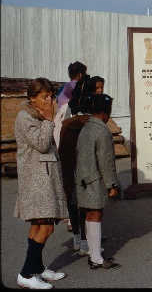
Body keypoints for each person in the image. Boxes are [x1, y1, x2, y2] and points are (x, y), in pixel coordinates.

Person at [14, 78, 68, 289]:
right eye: (44, 96)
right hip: (36, 182)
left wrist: (47, 119)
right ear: (32, 97)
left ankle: (37, 268)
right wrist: (48, 120)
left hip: (45, 180)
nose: (49, 100)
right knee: (46, 228)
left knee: (39, 226)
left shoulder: (39, 117)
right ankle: (26, 274)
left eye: (51, 96)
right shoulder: (25, 117)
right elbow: (41, 144)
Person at [75, 94, 122, 269]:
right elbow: (106, 161)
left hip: (83, 180)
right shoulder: (102, 130)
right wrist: (112, 185)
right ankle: (96, 258)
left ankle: (94, 253)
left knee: (89, 215)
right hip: (95, 181)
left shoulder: (86, 127)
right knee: (96, 215)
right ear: (105, 111)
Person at [59, 77, 97, 256]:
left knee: (72, 205)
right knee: (85, 206)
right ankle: (85, 243)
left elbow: (61, 150)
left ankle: (76, 239)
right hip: (84, 170)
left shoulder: (66, 125)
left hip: (68, 169)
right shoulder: (89, 124)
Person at [54, 61, 87, 149]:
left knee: (59, 135)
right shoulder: (78, 86)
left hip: (60, 112)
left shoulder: (65, 85)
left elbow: (57, 98)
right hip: (68, 112)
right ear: (80, 75)